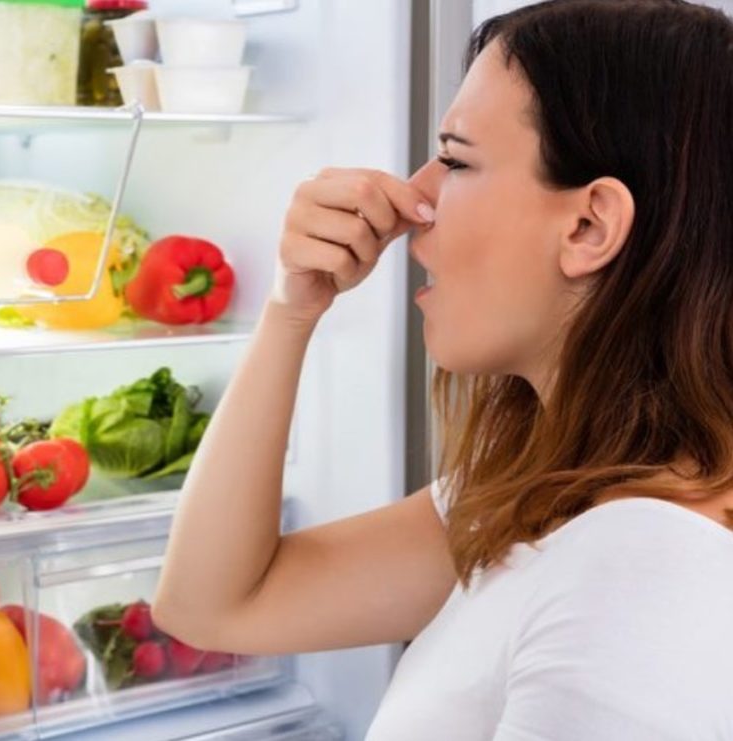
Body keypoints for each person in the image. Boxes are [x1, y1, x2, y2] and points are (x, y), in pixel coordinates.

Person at [152, 0, 733, 738]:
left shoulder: (641, 567)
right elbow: (214, 604)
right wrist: (290, 310)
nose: (414, 201)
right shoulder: (548, 491)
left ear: (590, 226)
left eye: (455, 158)